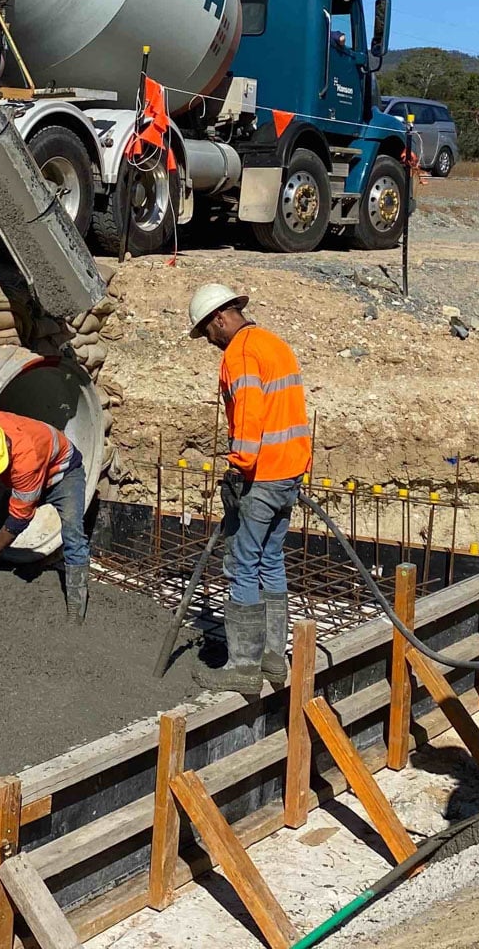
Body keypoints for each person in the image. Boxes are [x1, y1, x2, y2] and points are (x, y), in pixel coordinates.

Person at [187, 283, 312, 694]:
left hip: (262, 473)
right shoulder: (274, 344)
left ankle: (243, 667)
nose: (210, 341)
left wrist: (239, 468)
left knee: (242, 564)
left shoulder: (239, 352)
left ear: (221, 318)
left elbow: (249, 414)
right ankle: (274, 658)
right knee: (270, 559)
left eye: (208, 331)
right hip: (290, 470)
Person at [0, 405, 91, 623]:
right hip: (32, 474)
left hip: (64, 475)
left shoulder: (26, 462)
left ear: (6, 446)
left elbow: (18, 520)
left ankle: (75, 613)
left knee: (73, 534)